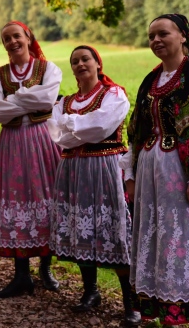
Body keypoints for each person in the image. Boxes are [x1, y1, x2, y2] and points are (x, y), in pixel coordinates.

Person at [123, 14, 189, 327]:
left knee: (186, 236)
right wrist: (130, 174)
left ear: (184, 36)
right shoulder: (150, 81)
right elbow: (137, 130)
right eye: (151, 36)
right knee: (158, 237)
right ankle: (167, 306)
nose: (156, 40)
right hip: (150, 174)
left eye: (163, 33)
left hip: (182, 172)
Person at [48, 45, 140, 326]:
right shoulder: (64, 102)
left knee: (115, 230)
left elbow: (101, 128)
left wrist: (71, 126)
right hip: (73, 170)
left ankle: (131, 302)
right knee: (80, 227)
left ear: (98, 63)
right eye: (74, 61)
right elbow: (58, 136)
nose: (80, 64)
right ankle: (91, 291)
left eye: (85, 59)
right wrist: (77, 128)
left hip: (105, 168)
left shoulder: (114, 94)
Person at [0, 21, 62, 298]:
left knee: (46, 196)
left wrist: (14, 98)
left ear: (28, 37)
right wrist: (29, 98)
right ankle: (21, 275)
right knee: (17, 199)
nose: (12, 42)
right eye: (6, 39)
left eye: (16, 36)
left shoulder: (48, 69)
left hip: (43, 139)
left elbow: (47, 100)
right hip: (14, 143)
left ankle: (45, 268)